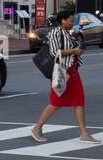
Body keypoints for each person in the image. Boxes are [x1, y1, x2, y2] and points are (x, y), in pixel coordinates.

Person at [30, 8, 98, 143]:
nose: (73, 23)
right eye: (71, 20)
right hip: (62, 71)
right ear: (63, 20)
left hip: (73, 71)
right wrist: (74, 50)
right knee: (56, 102)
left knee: (79, 101)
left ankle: (84, 133)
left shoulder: (68, 32)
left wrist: (78, 47)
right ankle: (37, 128)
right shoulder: (56, 32)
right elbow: (56, 52)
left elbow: (72, 49)